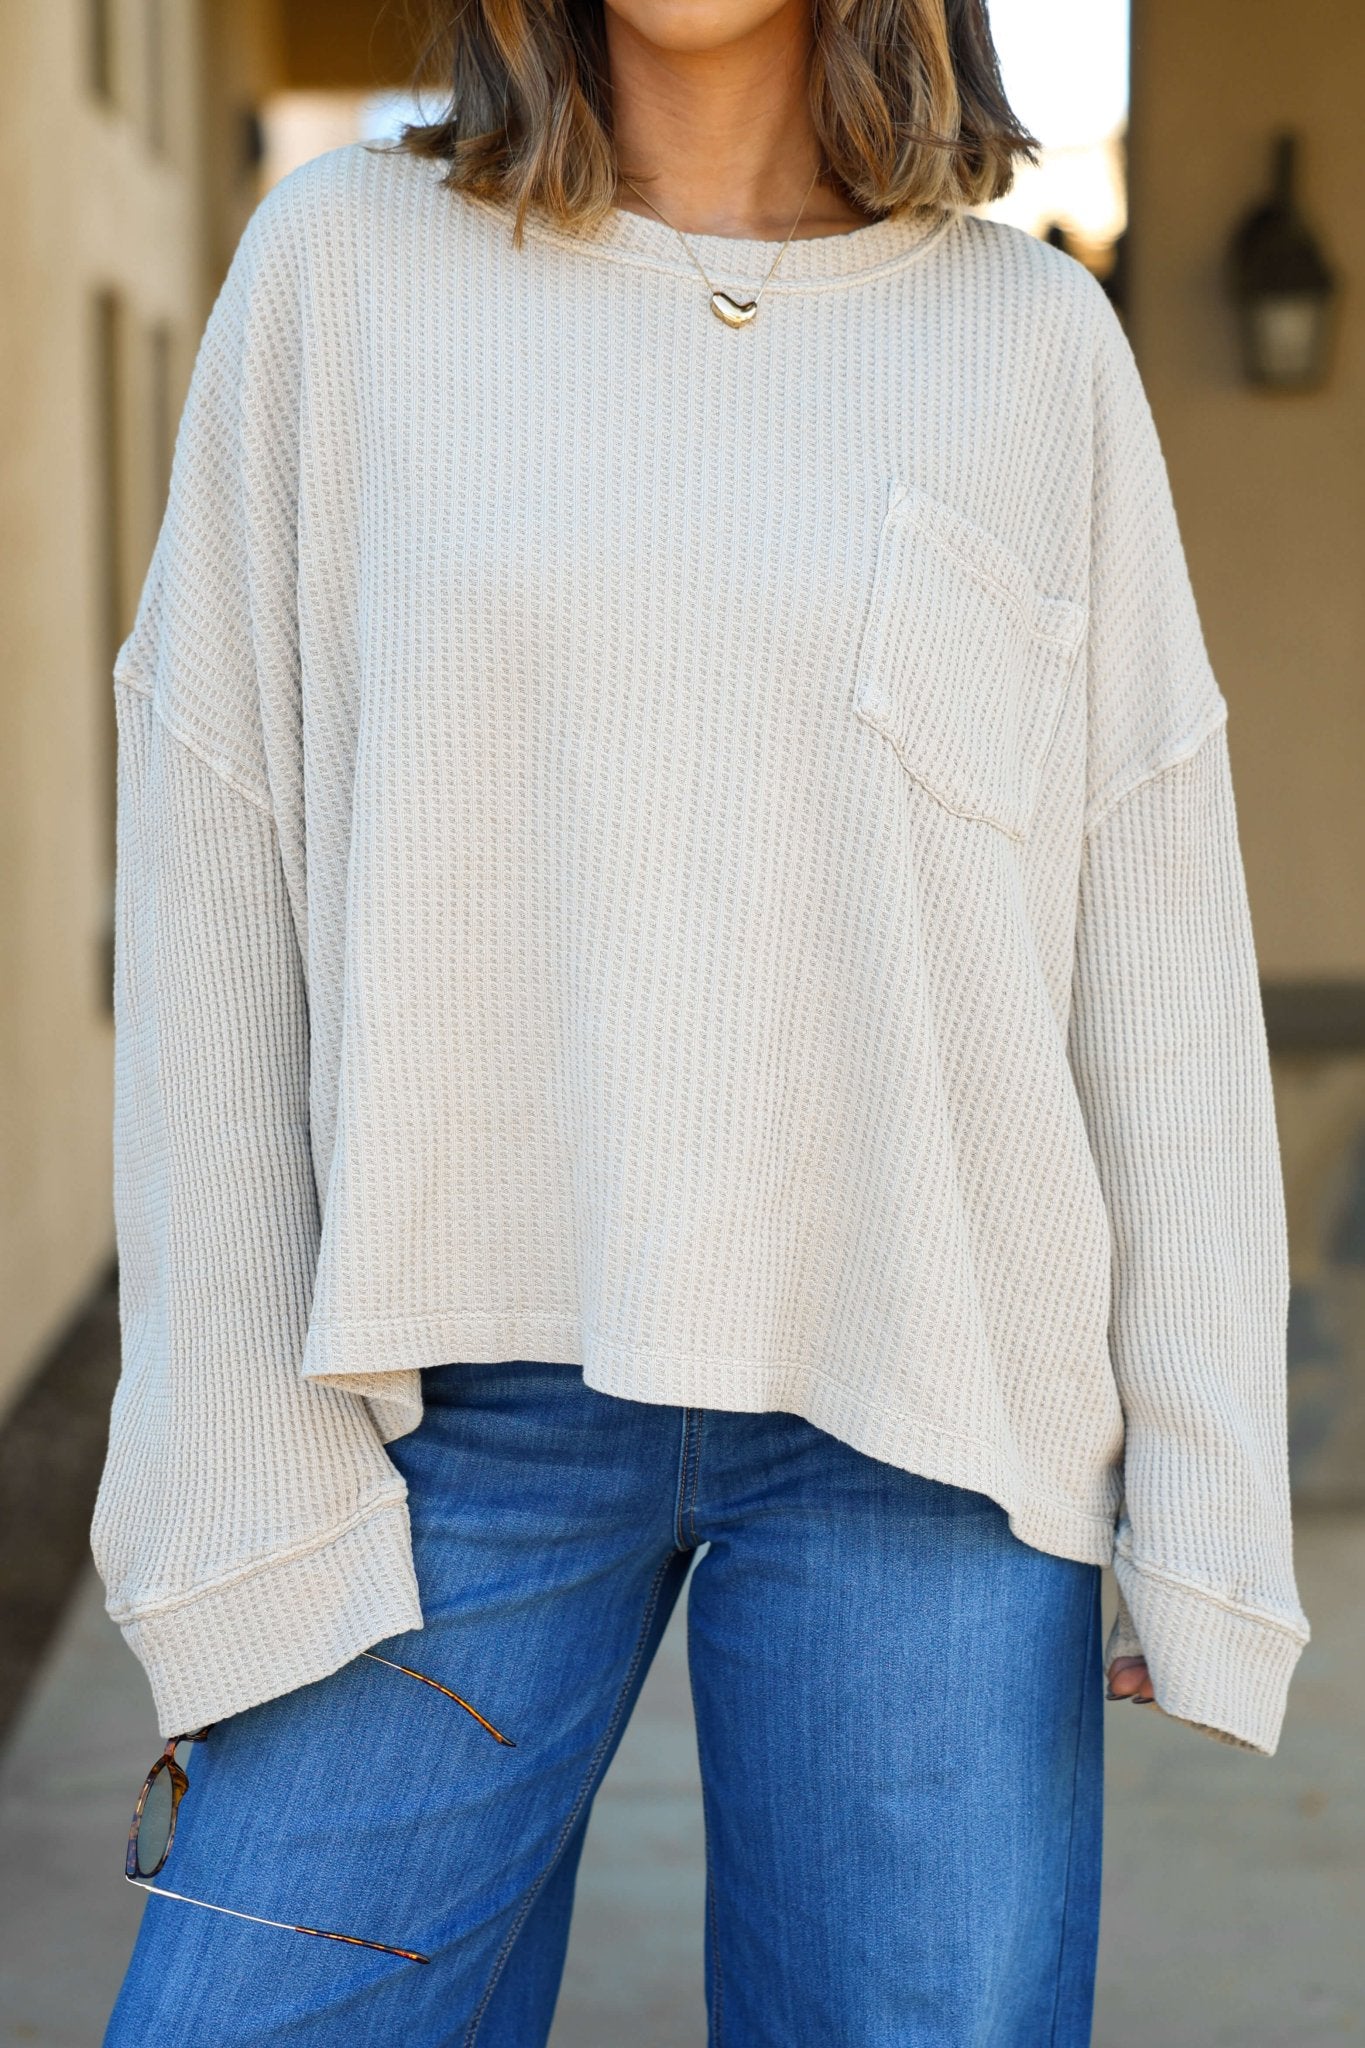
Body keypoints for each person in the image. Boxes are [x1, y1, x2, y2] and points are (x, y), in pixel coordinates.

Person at [96, 0, 1310, 2040]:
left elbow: (1145, 933)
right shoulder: (337, 276)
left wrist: (1202, 1505)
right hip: (432, 1405)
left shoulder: (1027, 349)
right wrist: (227, 1481)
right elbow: (221, 882)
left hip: (919, 1413)